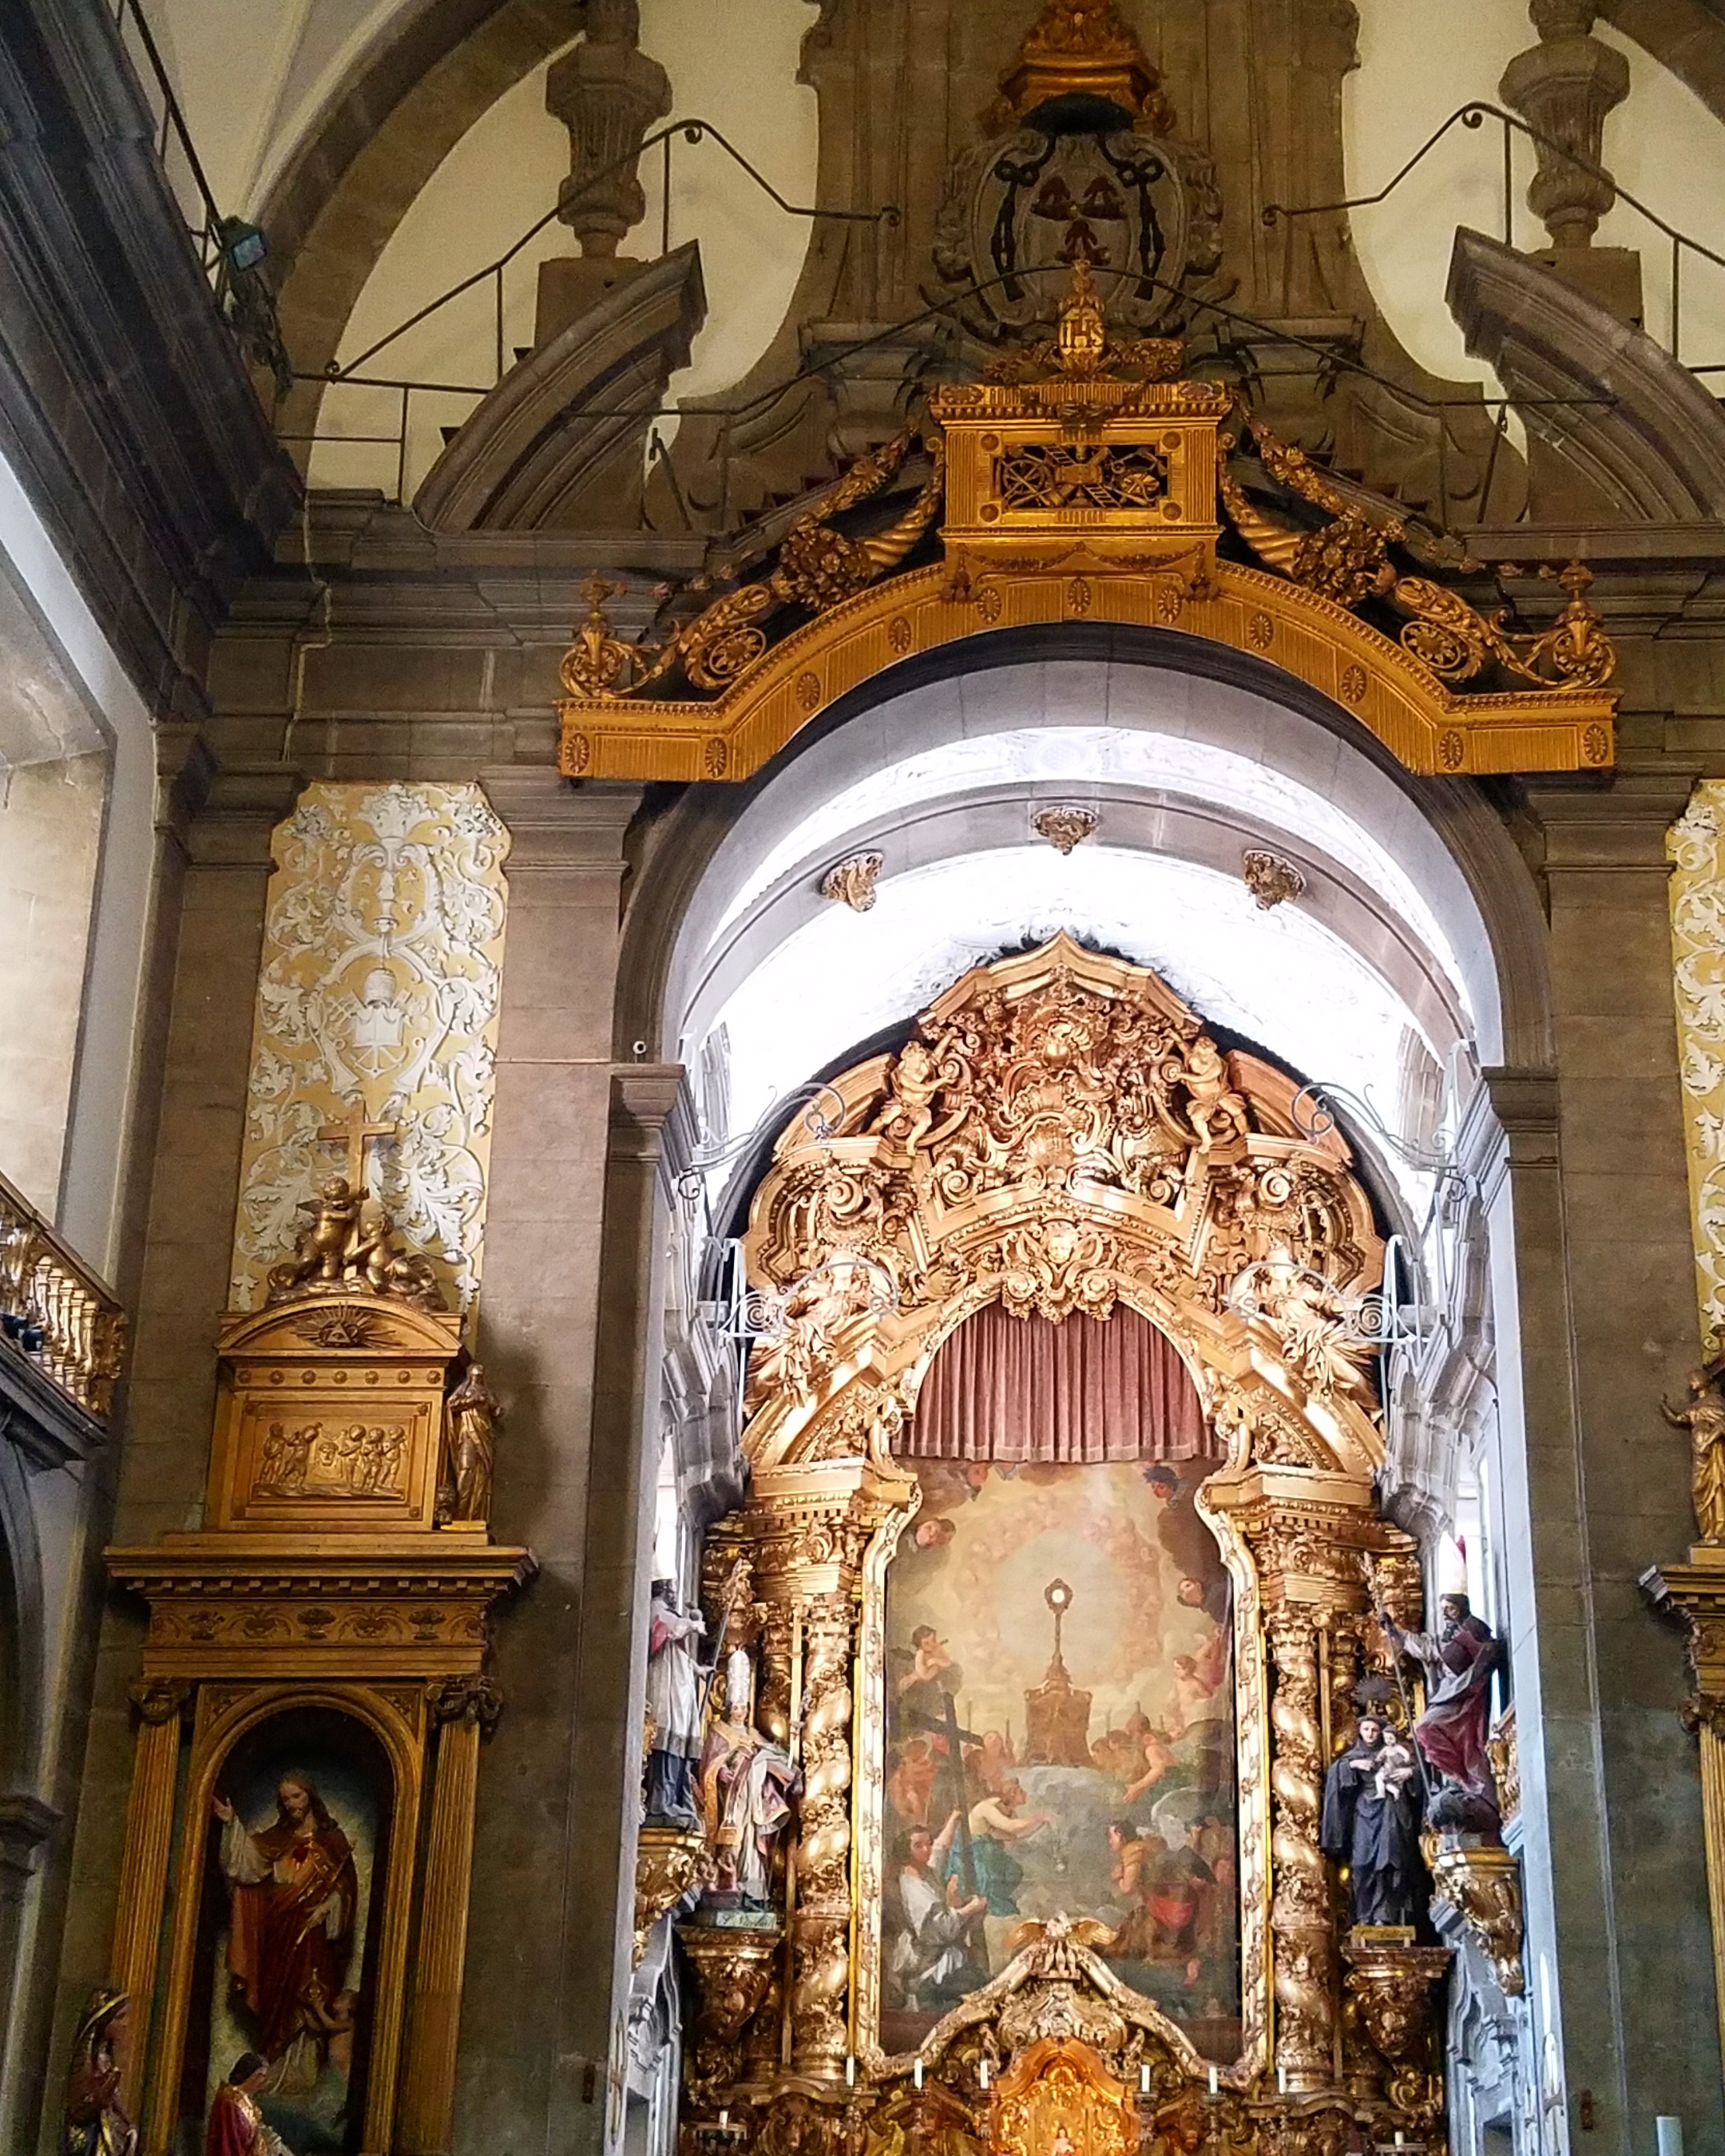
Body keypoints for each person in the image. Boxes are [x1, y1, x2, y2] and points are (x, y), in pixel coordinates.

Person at [212, 1778, 359, 2087]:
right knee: (277, 2001)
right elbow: (246, 1866)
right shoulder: (277, 1839)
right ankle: (275, 2070)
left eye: (296, 1796)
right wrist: (231, 1823)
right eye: (286, 1799)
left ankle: (304, 2076)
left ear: (310, 1796)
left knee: (309, 1996)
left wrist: (327, 1908)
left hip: (313, 1935)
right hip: (278, 1931)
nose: (292, 1804)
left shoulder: (332, 1841)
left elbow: (346, 1889)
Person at [1382, 1592, 1504, 1805]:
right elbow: (1420, 1645)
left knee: (1455, 1740)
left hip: (1467, 1696)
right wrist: (1392, 1630)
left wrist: (1478, 1664)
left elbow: (1489, 1651)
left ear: (1463, 1610)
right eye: (1443, 1610)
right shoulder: (1441, 1641)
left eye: (1451, 1609)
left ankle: (1471, 1783)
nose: (1446, 1614)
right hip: (1448, 1694)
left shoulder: (1474, 1631)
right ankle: (1460, 1779)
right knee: (1427, 1731)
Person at [1320, 1714, 1425, 1928]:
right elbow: (1335, 1775)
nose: (1370, 1734)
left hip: (1392, 1812)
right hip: (1365, 1815)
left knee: (1391, 1860)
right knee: (1362, 1863)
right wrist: (1353, 1765)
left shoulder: (1393, 1751)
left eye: (1375, 1730)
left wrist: (1409, 1772)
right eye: (1366, 1729)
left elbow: (1420, 1771)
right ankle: (1365, 1914)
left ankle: (1387, 1915)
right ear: (1360, 1731)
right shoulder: (1352, 1756)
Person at [887, 1814, 985, 2009]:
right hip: (930, 1966)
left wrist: (953, 1819)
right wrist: (969, 1909)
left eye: (928, 1843)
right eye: (919, 1846)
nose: (927, 1849)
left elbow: (940, 1850)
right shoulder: (912, 1888)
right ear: (905, 1850)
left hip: (941, 1956)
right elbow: (940, 1929)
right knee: (974, 1989)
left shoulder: (924, 1871)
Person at [644, 1580, 707, 1825]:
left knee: (679, 1744)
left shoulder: (670, 1613)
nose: (673, 1593)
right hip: (665, 1689)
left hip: (679, 1692)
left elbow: (680, 1654)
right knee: (666, 1741)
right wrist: (692, 1624)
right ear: (661, 1590)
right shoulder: (656, 1609)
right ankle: (661, 1802)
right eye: (670, 1589)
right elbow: (669, 1631)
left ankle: (676, 1799)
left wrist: (698, 1669)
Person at [59, 1986, 137, 2156]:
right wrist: (104, 2088)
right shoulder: (86, 2062)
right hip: (90, 2140)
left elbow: (115, 2105)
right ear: (103, 2021)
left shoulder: (105, 2058)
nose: (125, 2023)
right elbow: (79, 2108)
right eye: (120, 2017)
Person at [966, 1778, 1053, 1915]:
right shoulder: (988, 1807)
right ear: (1012, 1793)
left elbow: (1014, 1835)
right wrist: (1037, 1818)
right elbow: (1011, 1826)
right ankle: (994, 1903)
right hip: (979, 1851)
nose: (1025, 1794)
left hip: (992, 1849)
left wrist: (1040, 1824)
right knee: (997, 1876)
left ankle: (1000, 1900)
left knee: (1014, 1872)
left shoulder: (1007, 1811)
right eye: (1021, 1791)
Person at [204, 2054, 295, 2155]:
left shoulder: (243, 2098)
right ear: (252, 2075)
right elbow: (233, 2141)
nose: (262, 2082)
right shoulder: (230, 2102)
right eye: (261, 2076)